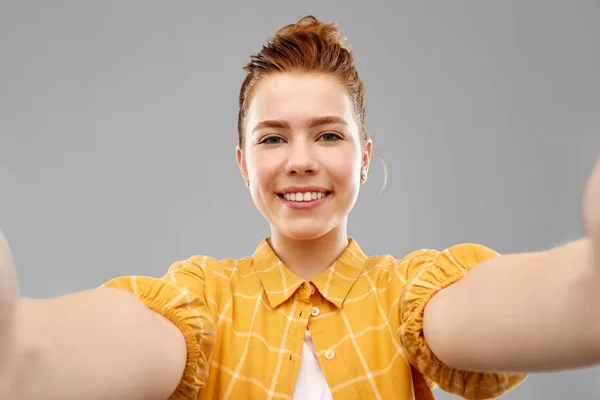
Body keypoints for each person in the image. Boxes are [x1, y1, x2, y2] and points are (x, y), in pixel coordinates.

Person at [1, 15, 600, 400]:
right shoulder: (198, 302)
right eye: (271, 137)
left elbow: (568, 303)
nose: (300, 160)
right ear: (243, 164)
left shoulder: (411, 296)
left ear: (365, 158)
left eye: (329, 135)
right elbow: (33, 354)